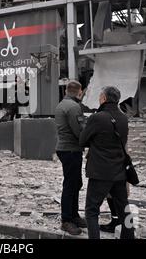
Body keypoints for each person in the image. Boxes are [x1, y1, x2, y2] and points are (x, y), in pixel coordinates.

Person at [80, 86, 135, 239]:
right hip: (119, 171)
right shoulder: (124, 117)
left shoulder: (97, 117)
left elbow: (83, 140)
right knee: (124, 209)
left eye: (99, 96)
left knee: (91, 211)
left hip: (100, 172)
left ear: (103, 98)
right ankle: (129, 236)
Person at [55, 80, 87, 235]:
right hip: (71, 149)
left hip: (66, 149)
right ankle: (67, 220)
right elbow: (79, 131)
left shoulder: (62, 104)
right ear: (79, 91)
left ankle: (73, 215)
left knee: (75, 182)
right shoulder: (74, 107)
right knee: (70, 184)